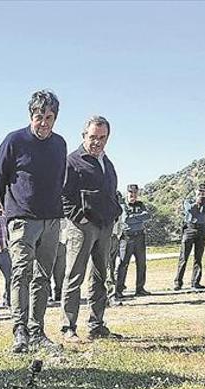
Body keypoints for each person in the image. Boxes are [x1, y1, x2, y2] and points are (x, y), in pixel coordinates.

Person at [0, 90, 66, 354]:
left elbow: (60, 180)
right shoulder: (14, 141)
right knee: (20, 274)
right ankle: (19, 331)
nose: (44, 123)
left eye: (49, 117)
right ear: (30, 116)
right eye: (39, 117)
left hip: (52, 220)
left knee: (43, 277)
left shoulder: (60, 144)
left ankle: (37, 330)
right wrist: (13, 210)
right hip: (22, 220)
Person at [60, 116, 123, 342]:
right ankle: (68, 328)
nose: (97, 142)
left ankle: (96, 325)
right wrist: (80, 219)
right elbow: (64, 196)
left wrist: (115, 214)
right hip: (81, 228)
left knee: (100, 276)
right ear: (83, 136)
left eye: (102, 137)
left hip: (105, 227)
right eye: (93, 137)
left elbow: (112, 192)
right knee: (74, 276)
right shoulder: (72, 161)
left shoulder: (108, 162)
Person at [173, 184, 205, 290]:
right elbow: (190, 209)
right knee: (184, 257)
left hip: (202, 229)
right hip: (190, 228)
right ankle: (178, 282)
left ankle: (195, 281)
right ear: (196, 191)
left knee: (198, 257)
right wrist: (197, 200)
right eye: (200, 191)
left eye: (204, 191)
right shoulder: (188, 200)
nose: (202, 193)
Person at [115, 184, 152, 298]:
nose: (133, 195)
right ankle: (118, 289)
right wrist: (139, 217)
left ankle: (140, 288)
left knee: (141, 264)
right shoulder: (123, 205)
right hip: (127, 238)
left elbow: (147, 216)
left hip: (140, 237)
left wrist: (134, 217)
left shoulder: (141, 204)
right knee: (123, 264)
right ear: (127, 193)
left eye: (135, 193)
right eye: (131, 192)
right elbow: (126, 219)